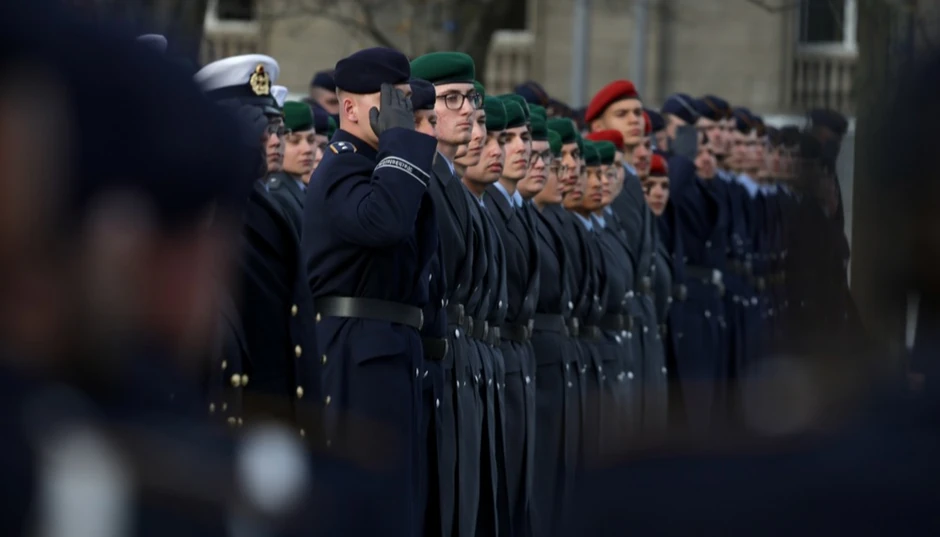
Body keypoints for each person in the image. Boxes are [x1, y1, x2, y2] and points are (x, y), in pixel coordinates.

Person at [301, 47, 438, 537]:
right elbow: (384, 222)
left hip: (390, 349)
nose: (398, 113)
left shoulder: (382, 163)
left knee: (399, 506)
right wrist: (403, 142)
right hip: (356, 354)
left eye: (404, 100)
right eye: (388, 101)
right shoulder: (341, 166)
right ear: (351, 108)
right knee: (368, 508)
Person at [197, 54, 319, 432]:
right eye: (259, 126)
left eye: (274, 126)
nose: (273, 140)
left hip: (276, 412)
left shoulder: (265, 206)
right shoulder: (204, 209)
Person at [410, 52, 492, 537]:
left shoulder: (451, 182)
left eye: (470, 98)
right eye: (451, 99)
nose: (466, 111)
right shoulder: (422, 176)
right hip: (435, 365)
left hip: (462, 366)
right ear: (425, 110)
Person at [483, 95, 541, 537]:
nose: (519, 147)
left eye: (524, 137)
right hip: (493, 359)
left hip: (515, 362)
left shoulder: (518, 210)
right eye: (506, 138)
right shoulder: (490, 208)